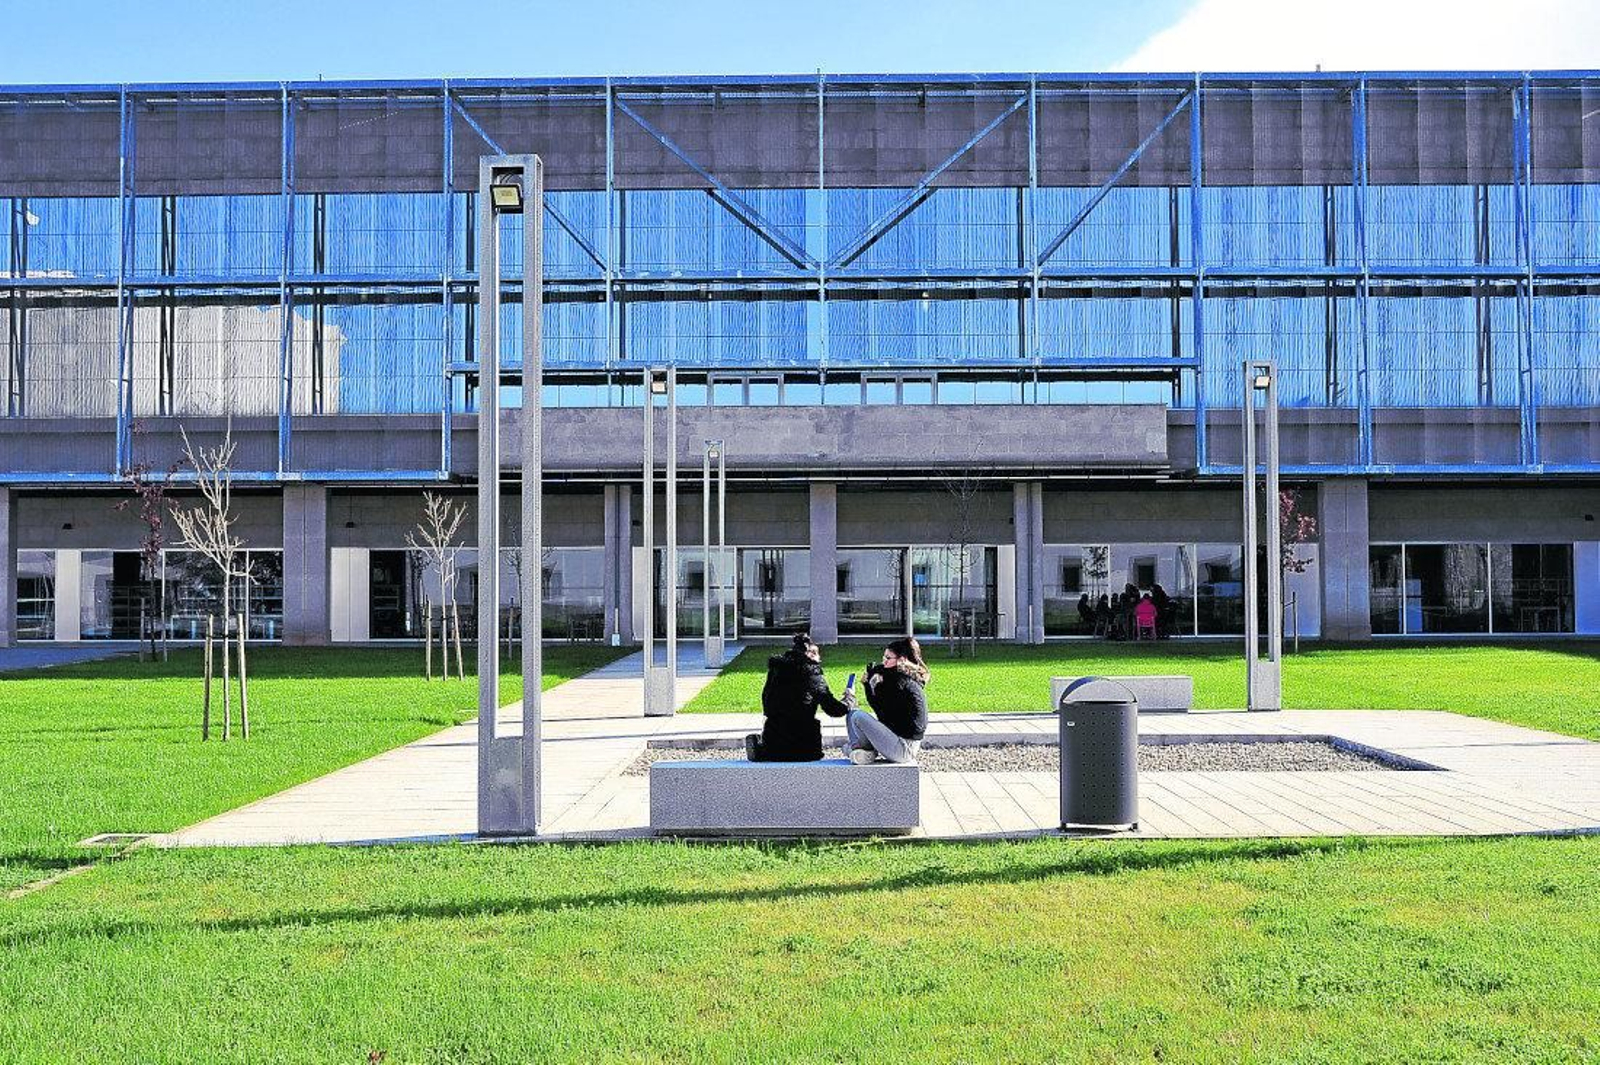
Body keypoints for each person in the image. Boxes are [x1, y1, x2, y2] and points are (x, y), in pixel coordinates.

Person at [745, 632, 849, 762]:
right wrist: (848, 702)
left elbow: (766, 701)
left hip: (773, 745)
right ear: (810, 654)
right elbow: (833, 709)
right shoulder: (812, 674)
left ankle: (762, 748)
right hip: (803, 748)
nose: (820, 659)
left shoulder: (776, 670)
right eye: (817, 655)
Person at [841, 637, 929, 765]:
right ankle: (863, 752)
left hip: (904, 748)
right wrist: (869, 685)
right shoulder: (900, 677)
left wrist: (868, 686)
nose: (884, 662)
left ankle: (857, 751)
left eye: (888, 658)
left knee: (857, 716)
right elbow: (882, 712)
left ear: (901, 660)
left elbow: (881, 711)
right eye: (884, 657)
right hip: (896, 739)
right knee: (852, 713)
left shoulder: (899, 682)